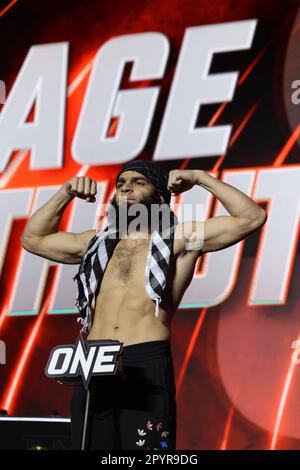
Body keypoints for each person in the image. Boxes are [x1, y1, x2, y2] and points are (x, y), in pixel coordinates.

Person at [21, 160, 267, 450]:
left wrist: (202, 178)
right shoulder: (96, 243)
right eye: (121, 184)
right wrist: (65, 192)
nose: (126, 188)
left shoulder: (179, 239)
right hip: (94, 362)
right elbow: (33, 239)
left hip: (144, 359)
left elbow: (251, 218)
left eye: (139, 183)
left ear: (160, 198)